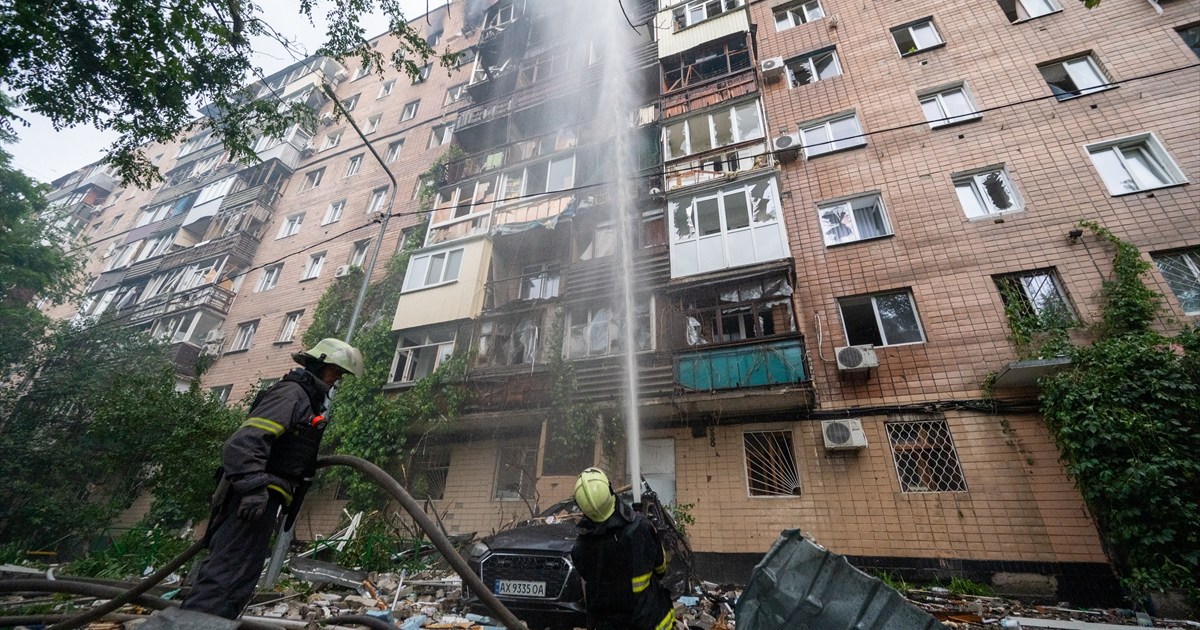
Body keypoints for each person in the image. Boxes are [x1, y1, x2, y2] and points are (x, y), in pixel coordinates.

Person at [182, 338, 363, 619]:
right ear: (318, 365)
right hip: (250, 501)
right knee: (226, 577)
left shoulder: (304, 399)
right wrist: (254, 489)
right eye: (335, 372)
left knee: (238, 579)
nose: (336, 380)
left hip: (260, 501)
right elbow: (242, 444)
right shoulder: (292, 395)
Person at [570, 467, 675, 630]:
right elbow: (661, 570)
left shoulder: (580, 548)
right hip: (650, 622)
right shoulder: (640, 528)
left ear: (582, 508)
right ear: (609, 489)